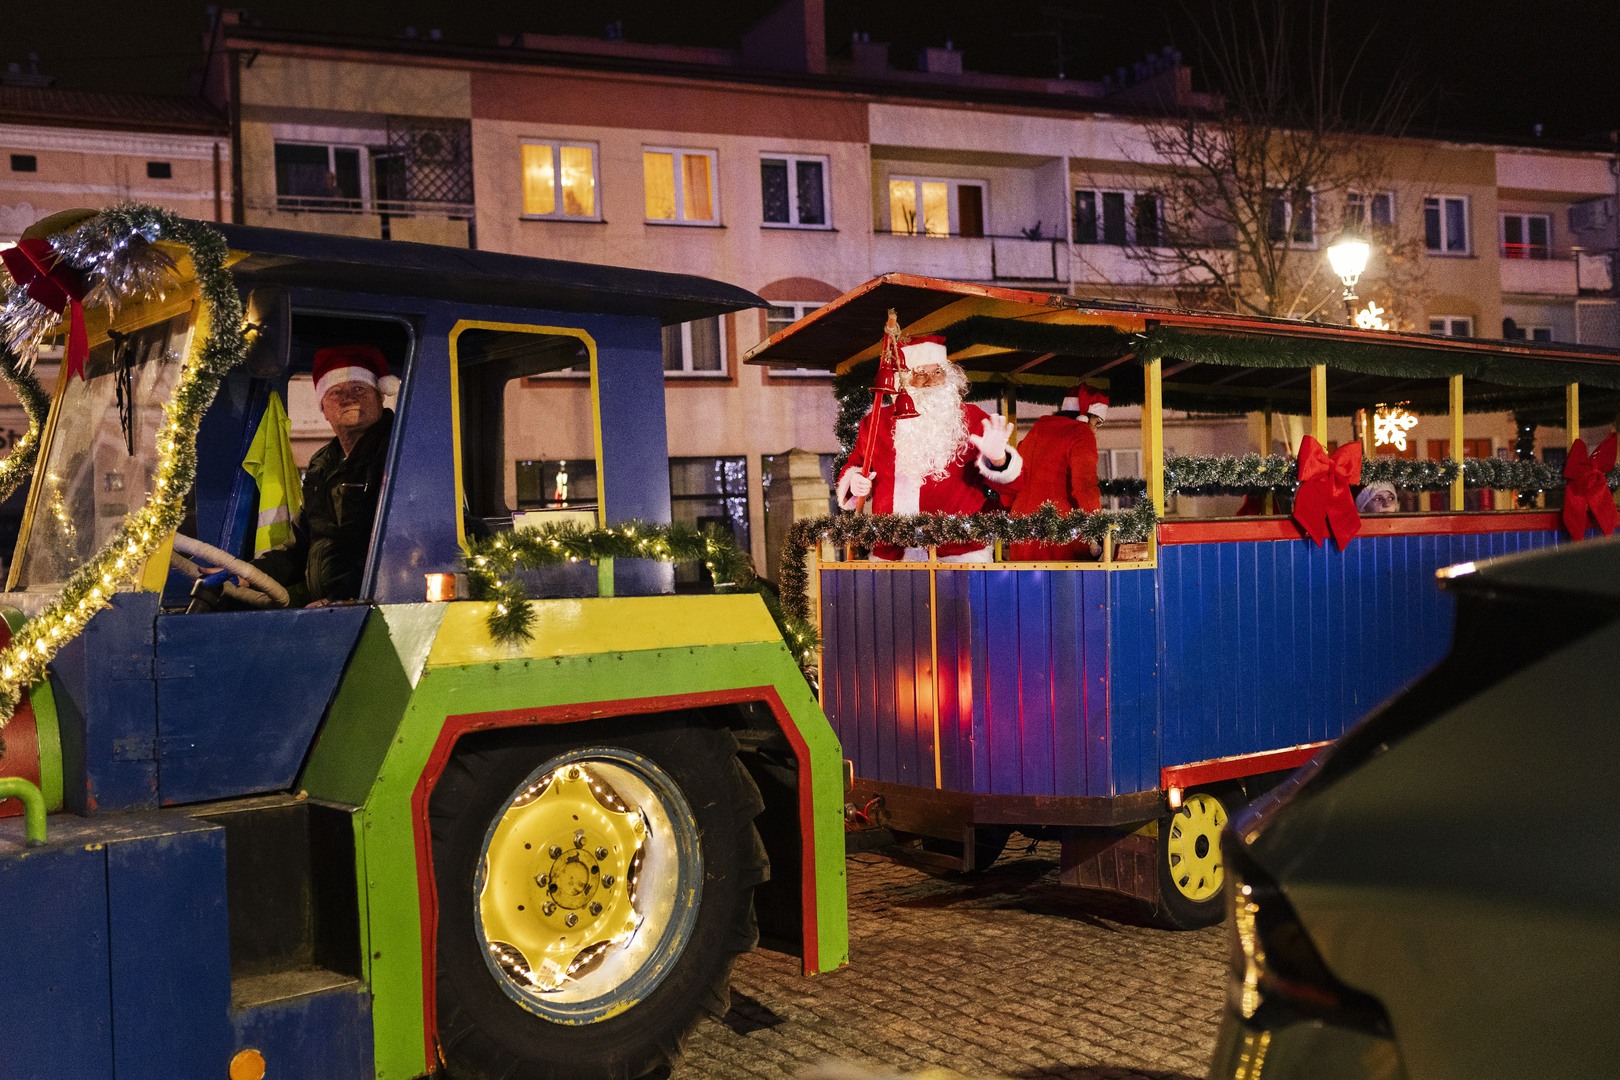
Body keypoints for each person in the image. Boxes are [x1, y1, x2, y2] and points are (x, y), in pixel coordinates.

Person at [836, 336, 1021, 561]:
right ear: (903, 380)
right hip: (893, 555)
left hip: (958, 554)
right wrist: (855, 481)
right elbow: (856, 465)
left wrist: (999, 459)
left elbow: (1015, 488)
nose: (931, 381)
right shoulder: (876, 423)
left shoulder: (972, 419)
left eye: (937, 372)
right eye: (921, 373)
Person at [254, 344, 399, 605]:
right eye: (336, 392)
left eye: (359, 388)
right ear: (324, 409)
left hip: (370, 606)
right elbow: (301, 546)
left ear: (380, 396)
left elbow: (397, 544)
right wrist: (246, 575)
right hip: (328, 607)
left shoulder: (398, 452)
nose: (348, 399)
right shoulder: (321, 464)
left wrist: (340, 599)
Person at [998, 385, 1107, 560]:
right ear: (1085, 416)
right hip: (1059, 532)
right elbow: (1085, 486)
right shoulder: (1081, 433)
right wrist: (1097, 527)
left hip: (1022, 531)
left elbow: (1011, 481)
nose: (1096, 429)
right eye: (1098, 422)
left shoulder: (1035, 432)